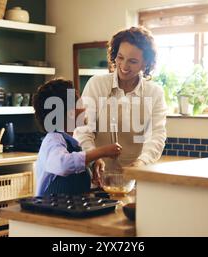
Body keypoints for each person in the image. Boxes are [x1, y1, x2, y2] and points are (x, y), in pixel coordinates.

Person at [74, 26, 167, 186]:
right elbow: (83, 129)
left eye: (133, 61)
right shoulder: (97, 84)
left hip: (136, 179)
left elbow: (156, 136)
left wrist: (141, 164)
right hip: (95, 178)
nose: (124, 66)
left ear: (145, 63)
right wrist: (93, 158)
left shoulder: (155, 93)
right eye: (120, 57)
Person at [32, 78, 122, 196]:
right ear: (70, 113)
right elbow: (63, 165)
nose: (85, 108)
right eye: (80, 104)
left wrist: (93, 163)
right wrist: (101, 152)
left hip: (69, 210)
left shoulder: (71, 143)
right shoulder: (53, 139)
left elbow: (74, 167)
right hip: (50, 211)